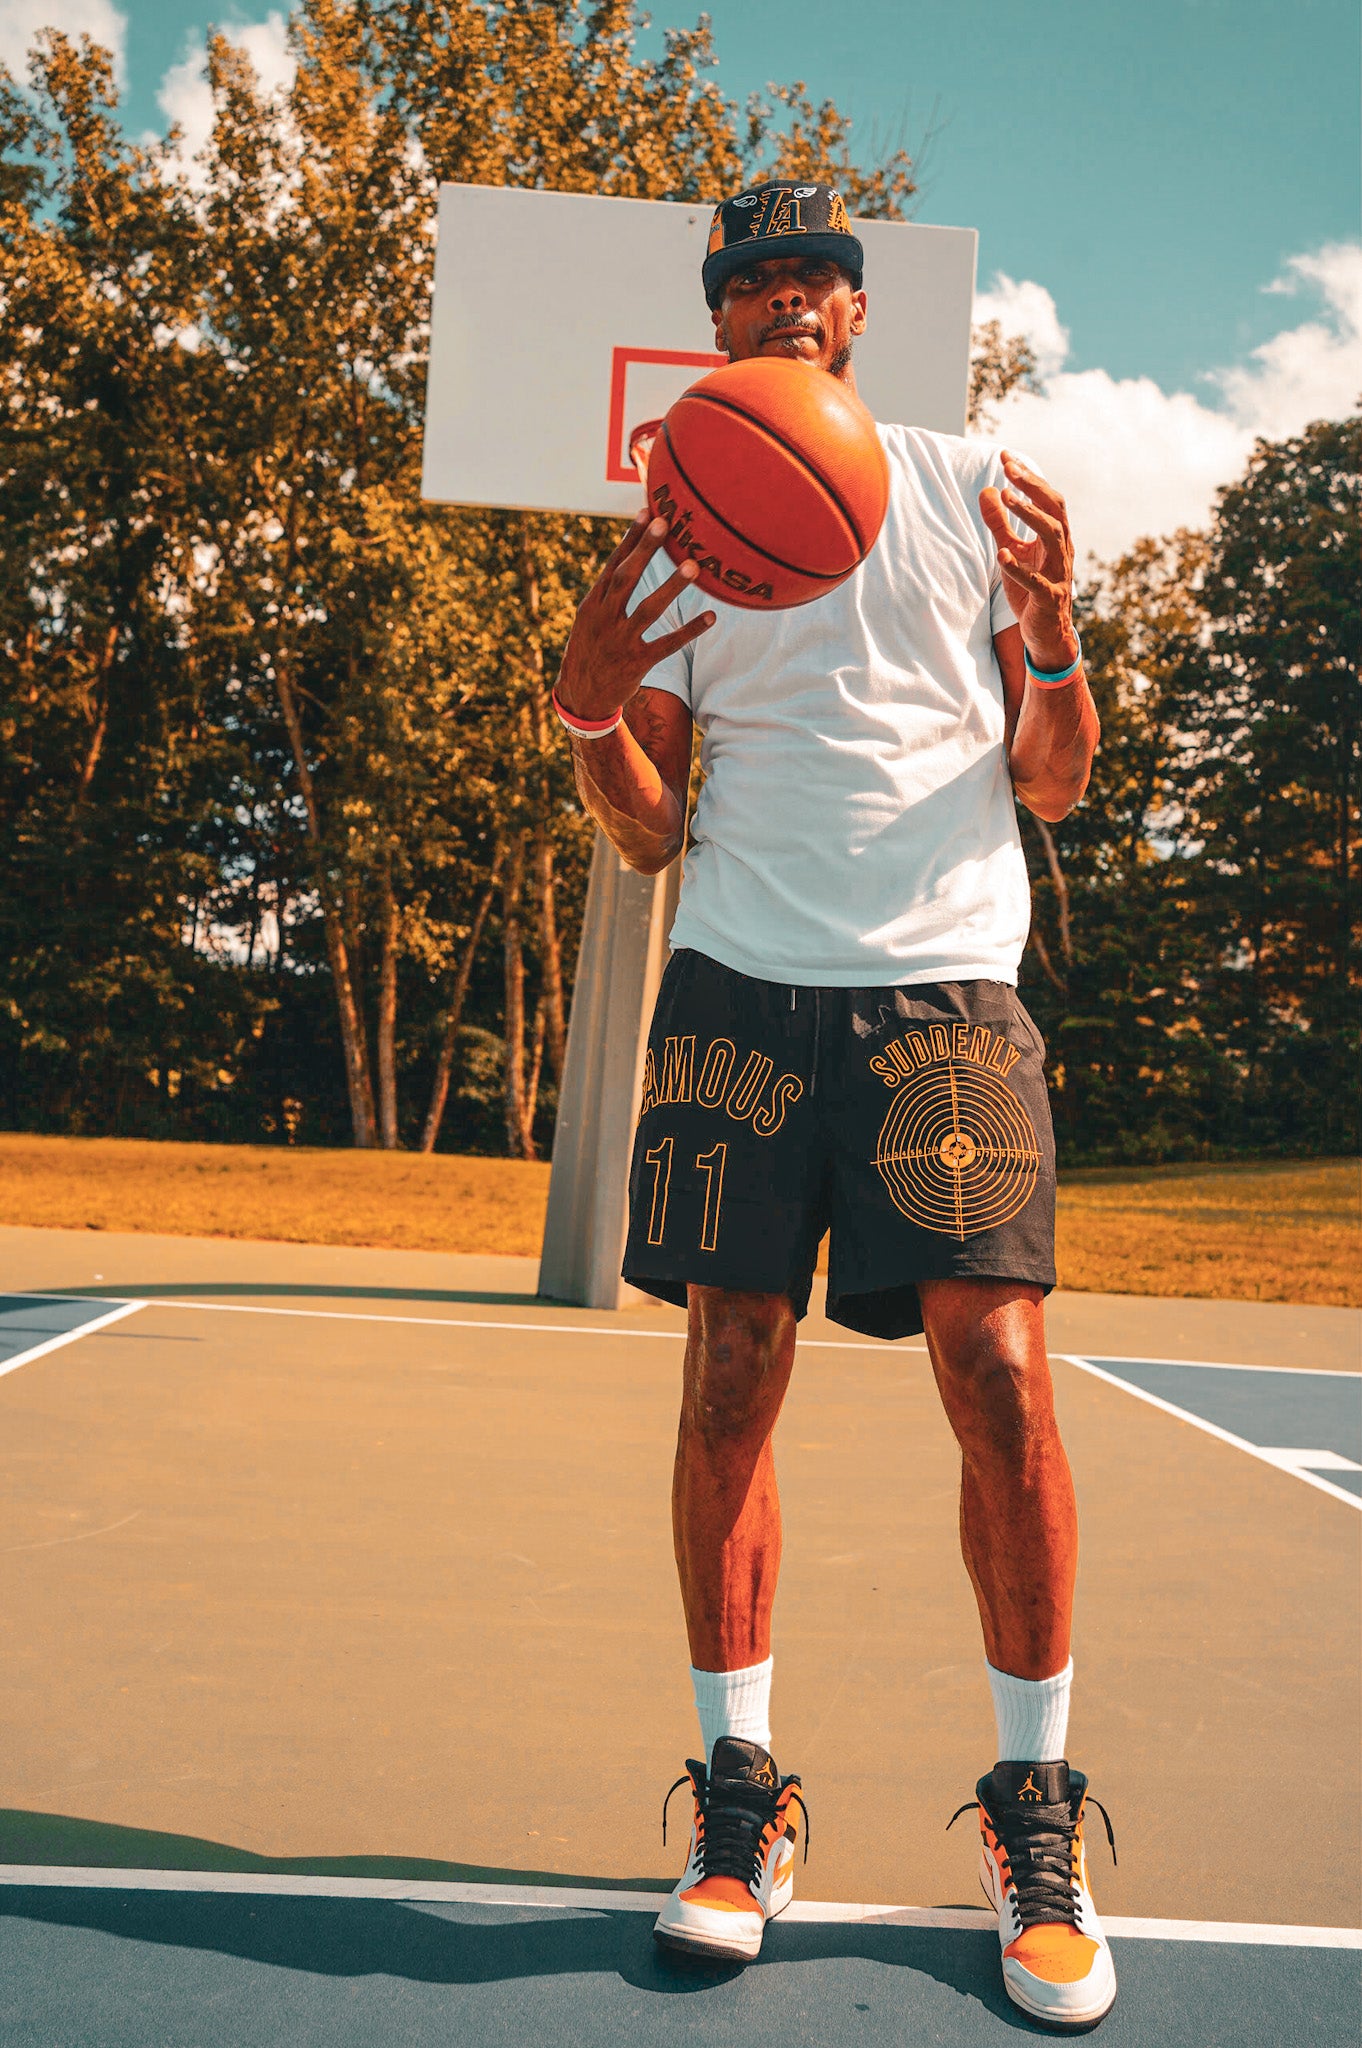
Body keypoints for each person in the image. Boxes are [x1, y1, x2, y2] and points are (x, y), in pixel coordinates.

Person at [552, 180, 1115, 2033]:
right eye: (751, 280)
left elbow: (1056, 784)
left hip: (943, 988)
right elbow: (647, 829)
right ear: (712, 321)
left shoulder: (970, 487)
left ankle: (1033, 1813)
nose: (786, 299)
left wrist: (1048, 634)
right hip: (734, 992)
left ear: (860, 315)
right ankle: (740, 1804)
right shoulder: (677, 520)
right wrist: (590, 712)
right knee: (727, 1371)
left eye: (816, 276)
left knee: (1001, 1376)